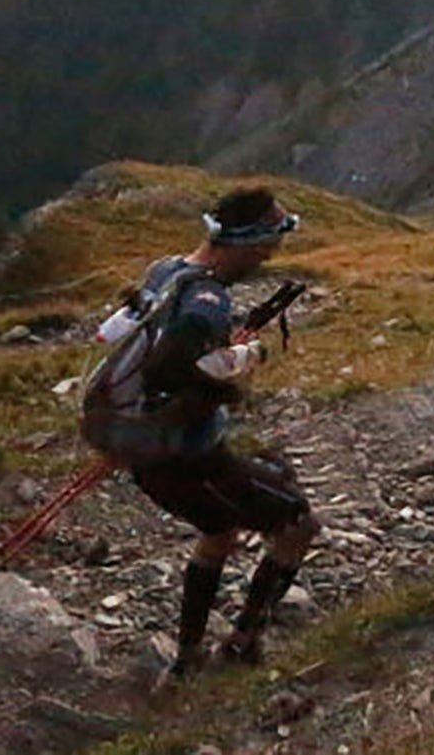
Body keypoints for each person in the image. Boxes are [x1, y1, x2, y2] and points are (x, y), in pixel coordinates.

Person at [90, 186, 320, 681]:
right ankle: (242, 644)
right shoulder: (208, 299)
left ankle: (186, 659)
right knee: (297, 523)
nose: (267, 258)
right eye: (263, 248)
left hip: (143, 448)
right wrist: (241, 361)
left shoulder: (166, 270)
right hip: (190, 459)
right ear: (240, 242)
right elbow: (171, 366)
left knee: (219, 531)